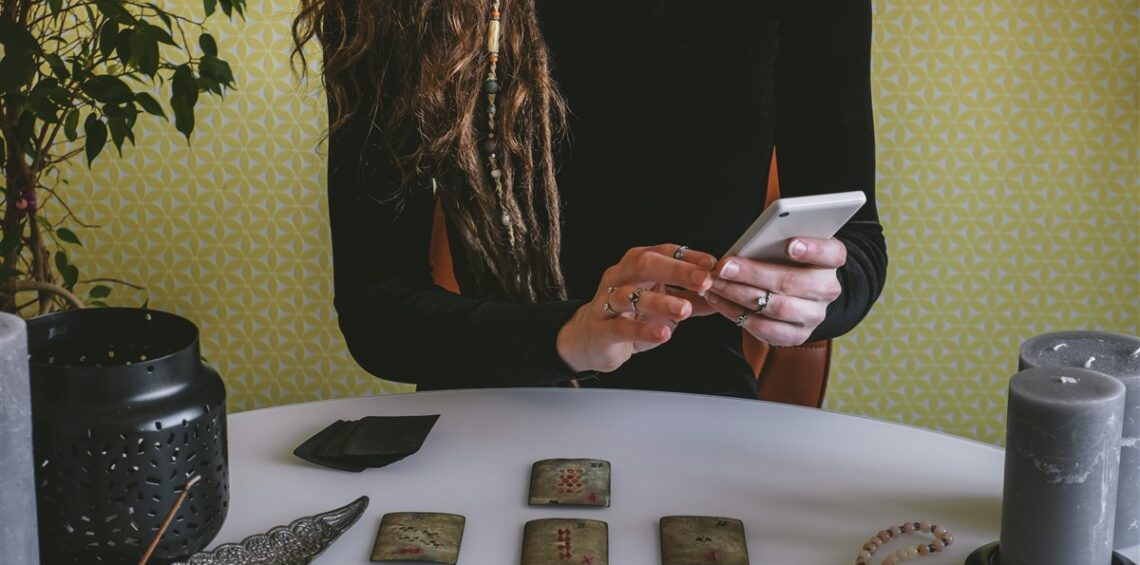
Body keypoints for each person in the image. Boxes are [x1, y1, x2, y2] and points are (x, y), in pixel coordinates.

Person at [292, 1, 887, 399]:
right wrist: (572, 335)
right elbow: (376, 309)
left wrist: (813, 296)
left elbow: (859, 246)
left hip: (699, 422)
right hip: (486, 410)